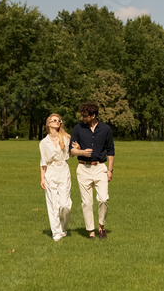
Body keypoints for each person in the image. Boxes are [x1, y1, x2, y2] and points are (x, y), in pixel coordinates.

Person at [69, 101, 115, 240]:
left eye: (86, 116)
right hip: (83, 169)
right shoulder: (78, 129)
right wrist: (81, 152)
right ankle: (91, 231)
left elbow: (111, 150)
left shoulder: (106, 129)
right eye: (82, 115)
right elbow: (71, 151)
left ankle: (101, 226)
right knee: (87, 202)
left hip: (100, 168)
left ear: (93, 115)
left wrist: (110, 170)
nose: (83, 118)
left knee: (103, 199)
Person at [39, 113, 72, 241]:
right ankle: (56, 233)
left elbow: (73, 152)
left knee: (65, 204)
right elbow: (43, 162)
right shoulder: (43, 143)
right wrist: (42, 178)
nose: (56, 122)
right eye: (54, 120)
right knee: (53, 204)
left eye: (59, 120)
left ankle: (63, 227)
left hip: (64, 170)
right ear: (49, 123)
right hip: (50, 171)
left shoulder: (66, 138)